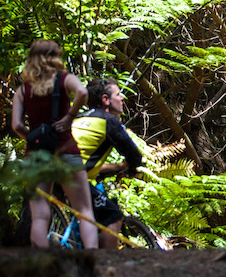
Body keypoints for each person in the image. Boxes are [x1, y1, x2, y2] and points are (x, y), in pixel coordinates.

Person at [11, 40, 99, 249]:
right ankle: (94, 260)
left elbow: (16, 125)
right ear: (55, 57)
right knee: (84, 211)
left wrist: (33, 138)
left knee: (40, 215)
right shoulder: (64, 80)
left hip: (37, 156)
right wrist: (69, 117)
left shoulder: (23, 91)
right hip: (67, 150)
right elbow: (83, 93)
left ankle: (45, 262)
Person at [71, 78, 144, 249]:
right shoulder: (109, 121)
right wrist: (132, 167)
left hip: (53, 170)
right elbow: (134, 155)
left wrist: (119, 167)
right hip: (74, 177)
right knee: (113, 217)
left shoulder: (78, 119)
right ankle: (107, 266)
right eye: (118, 94)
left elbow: (88, 163)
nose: (123, 98)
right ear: (106, 99)